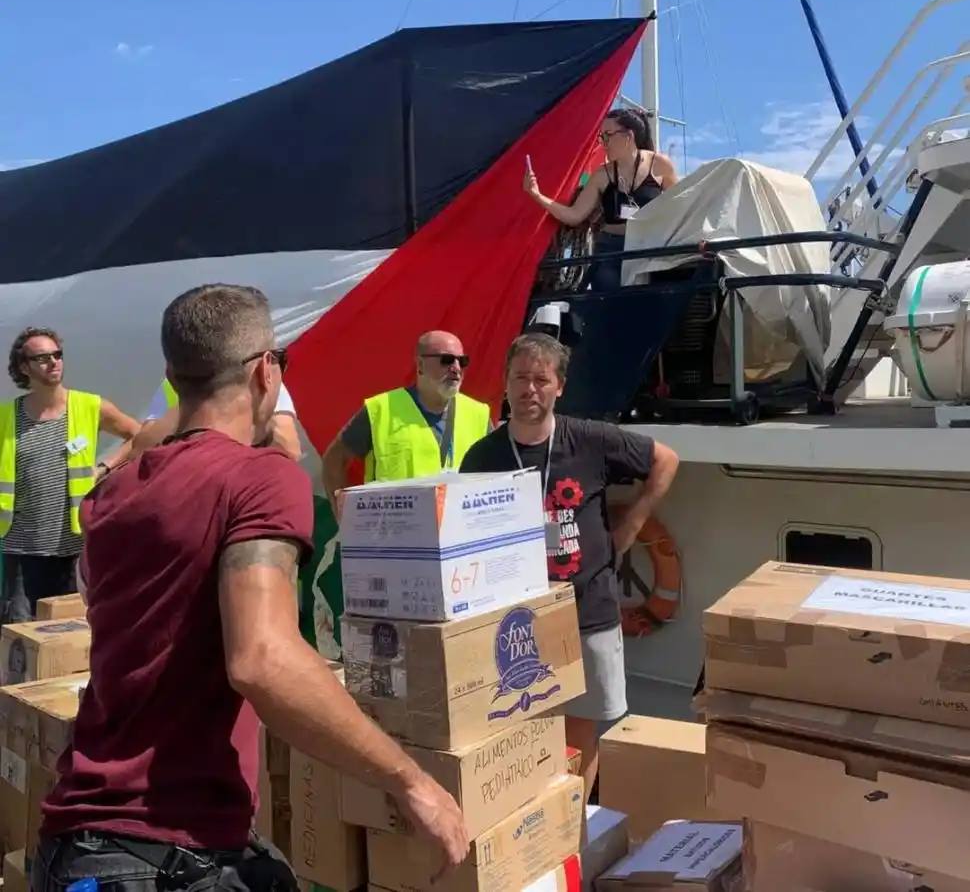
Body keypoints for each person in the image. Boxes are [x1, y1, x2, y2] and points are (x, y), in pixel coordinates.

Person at [34, 284, 468, 892]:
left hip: (76, 847)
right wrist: (412, 782)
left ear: (173, 375)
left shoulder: (114, 493)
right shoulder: (260, 479)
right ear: (267, 372)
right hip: (168, 857)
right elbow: (263, 660)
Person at [460, 332, 679, 802]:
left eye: (541, 379)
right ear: (505, 384)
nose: (530, 389)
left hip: (588, 614)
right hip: (515, 626)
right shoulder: (482, 457)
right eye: (520, 378)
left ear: (559, 386)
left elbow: (666, 460)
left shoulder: (592, 439)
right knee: (520, 738)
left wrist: (633, 524)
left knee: (581, 736)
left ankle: (571, 830)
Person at [0, 327, 139, 622]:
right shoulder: (6, 417)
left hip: (73, 549)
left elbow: (139, 436)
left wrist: (104, 467)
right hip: (21, 551)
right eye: (42, 358)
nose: (54, 362)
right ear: (23, 367)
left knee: (69, 635)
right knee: (19, 643)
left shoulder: (89, 406)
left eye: (57, 355)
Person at [321, 329, 491, 506]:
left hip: (459, 528)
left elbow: (500, 471)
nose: (456, 368)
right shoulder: (380, 410)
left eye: (462, 361)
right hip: (395, 530)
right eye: (446, 360)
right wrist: (347, 519)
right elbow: (333, 462)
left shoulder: (478, 413)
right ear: (420, 364)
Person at [524, 107, 677, 292]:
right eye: (601, 136)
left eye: (607, 135)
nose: (603, 142)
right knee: (607, 305)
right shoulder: (601, 175)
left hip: (650, 247)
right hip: (611, 249)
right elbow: (575, 215)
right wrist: (537, 195)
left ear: (628, 136)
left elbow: (677, 208)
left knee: (646, 305)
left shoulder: (661, 165)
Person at [119, 376, 303, 463]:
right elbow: (140, 451)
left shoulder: (262, 379)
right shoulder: (174, 383)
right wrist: (196, 401)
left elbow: (289, 449)